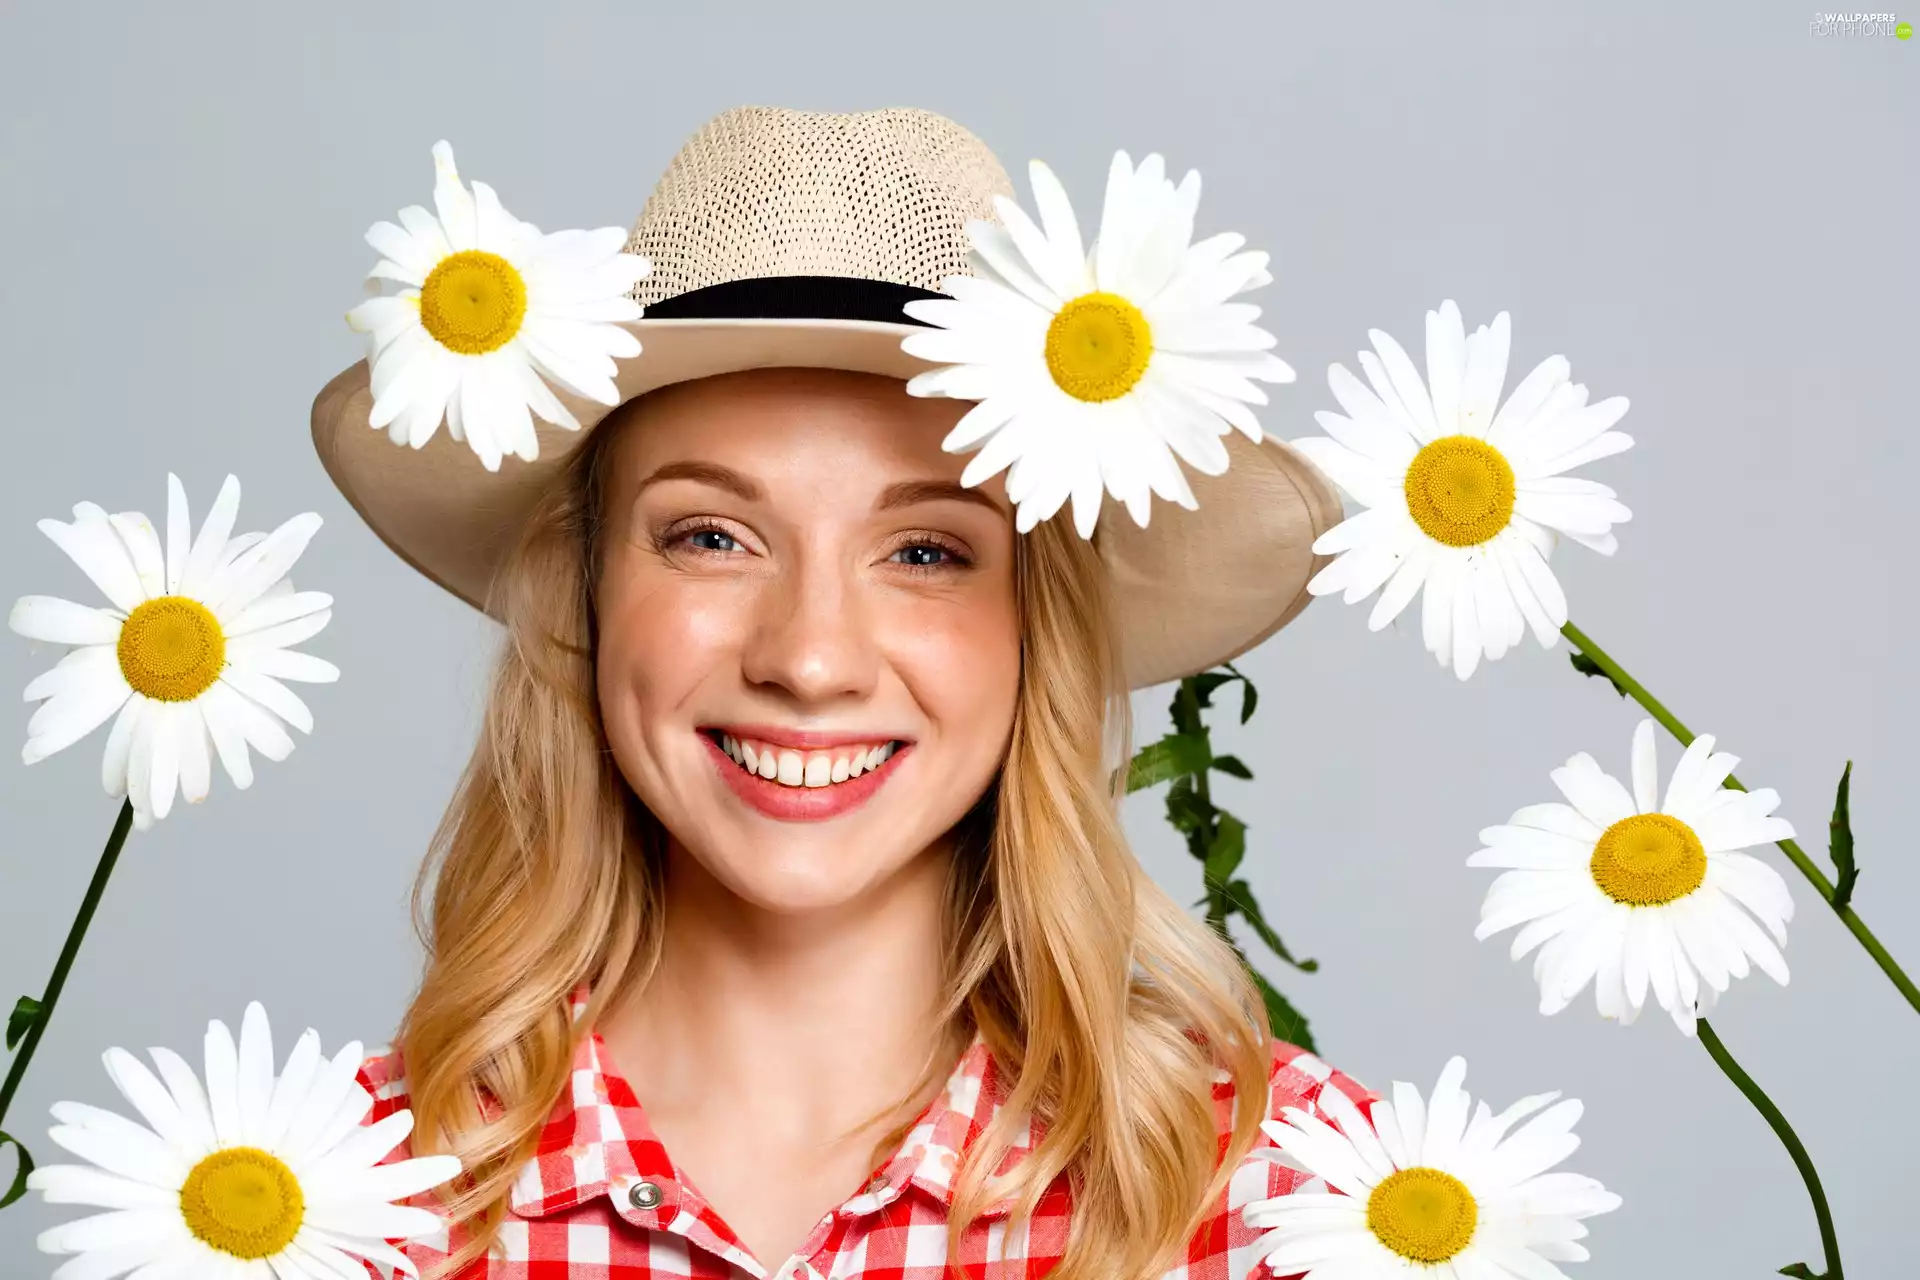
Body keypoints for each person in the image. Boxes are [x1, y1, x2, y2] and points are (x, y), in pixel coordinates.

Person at [310, 104, 1370, 1280]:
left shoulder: (1303, 1199)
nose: (810, 659)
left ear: (1037, 630)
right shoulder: (329, 1201)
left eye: (925, 551)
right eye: (711, 536)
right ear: (586, 599)